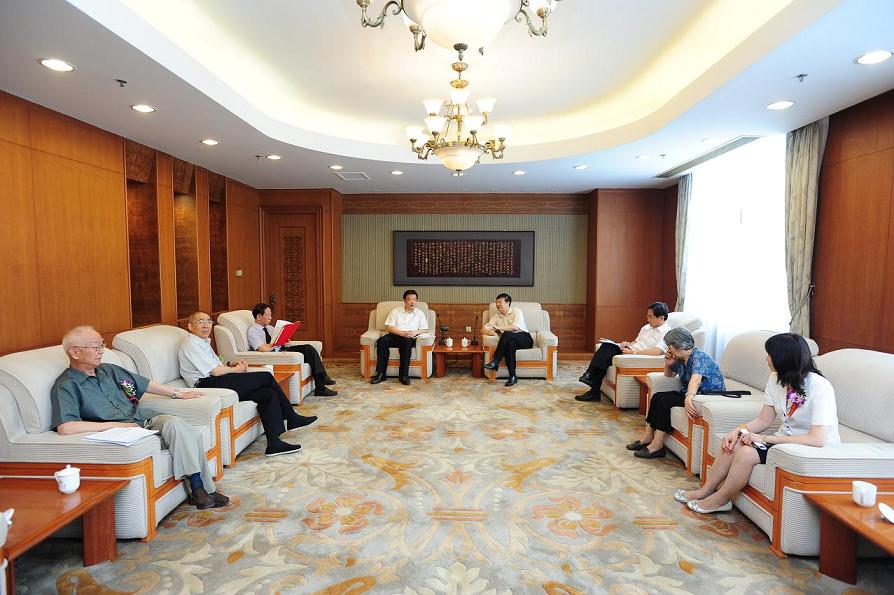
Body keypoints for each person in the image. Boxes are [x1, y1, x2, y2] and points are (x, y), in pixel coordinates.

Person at [52, 326, 229, 510]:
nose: (102, 351)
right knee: (185, 434)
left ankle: (199, 488)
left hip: (142, 420)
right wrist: (114, 426)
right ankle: (200, 490)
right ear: (75, 352)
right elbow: (66, 427)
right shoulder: (67, 385)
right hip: (120, 433)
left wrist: (177, 393)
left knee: (179, 426)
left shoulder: (109, 370)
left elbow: (143, 384)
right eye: (96, 346)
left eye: (102, 345)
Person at [675, 333, 840, 513]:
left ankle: (721, 500)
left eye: (770, 355)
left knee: (747, 453)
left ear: (784, 358)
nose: (766, 359)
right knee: (733, 444)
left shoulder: (819, 387)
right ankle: (705, 490)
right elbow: (765, 419)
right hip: (783, 442)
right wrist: (738, 431)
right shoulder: (775, 379)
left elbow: (817, 439)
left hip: (809, 449)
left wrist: (764, 438)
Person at [178, 312, 317, 457]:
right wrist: (236, 369)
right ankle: (291, 416)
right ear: (190, 326)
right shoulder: (192, 344)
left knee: (267, 393)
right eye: (200, 322)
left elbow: (215, 366)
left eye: (208, 322)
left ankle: (274, 443)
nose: (206, 325)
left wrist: (231, 364)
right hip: (207, 385)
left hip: (215, 380)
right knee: (266, 376)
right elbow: (215, 372)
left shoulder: (202, 342)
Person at [626, 327, 725, 459]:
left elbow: (695, 380)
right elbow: (669, 375)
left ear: (677, 346)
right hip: (694, 392)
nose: (668, 349)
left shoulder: (699, 357)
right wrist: (667, 363)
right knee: (657, 397)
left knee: (664, 402)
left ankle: (657, 445)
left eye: (669, 346)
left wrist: (688, 398)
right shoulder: (681, 359)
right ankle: (648, 436)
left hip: (706, 396)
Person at [576, 301, 671, 402]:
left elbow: (657, 351)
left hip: (636, 355)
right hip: (630, 351)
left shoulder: (667, 332)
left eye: (651, 317)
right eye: (647, 316)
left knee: (606, 352)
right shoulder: (646, 328)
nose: (648, 319)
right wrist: (628, 344)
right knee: (606, 346)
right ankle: (591, 384)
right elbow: (637, 342)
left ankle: (591, 381)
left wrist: (633, 353)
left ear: (661, 318)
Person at [246, 303, 337, 397]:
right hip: (273, 355)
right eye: (268, 315)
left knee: (308, 348)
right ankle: (321, 386)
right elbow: (263, 348)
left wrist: (285, 340)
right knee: (308, 351)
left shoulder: (269, 328)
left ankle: (322, 379)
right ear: (259, 316)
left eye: (271, 315)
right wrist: (277, 343)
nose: (271, 318)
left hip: (282, 350)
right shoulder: (253, 331)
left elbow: (279, 341)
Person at [371, 289, 429, 385]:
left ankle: (403, 376)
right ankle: (381, 374)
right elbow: (389, 327)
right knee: (382, 341)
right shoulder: (395, 311)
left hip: (409, 338)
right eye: (409, 299)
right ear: (404, 301)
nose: (412, 301)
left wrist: (415, 332)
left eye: (414, 299)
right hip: (395, 334)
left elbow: (425, 329)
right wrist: (401, 333)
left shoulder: (419, 313)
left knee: (407, 342)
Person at [482, 293, 532, 387]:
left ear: (508, 303)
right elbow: (483, 329)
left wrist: (497, 327)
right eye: (496, 302)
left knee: (506, 334)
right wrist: (491, 332)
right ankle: (513, 376)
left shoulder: (516, 311)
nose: (497, 304)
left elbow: (515, 328)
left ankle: (496, 361)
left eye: (500, 302)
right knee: (510, 345)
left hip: (524, 338)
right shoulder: (496, 317)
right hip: (510, 340)